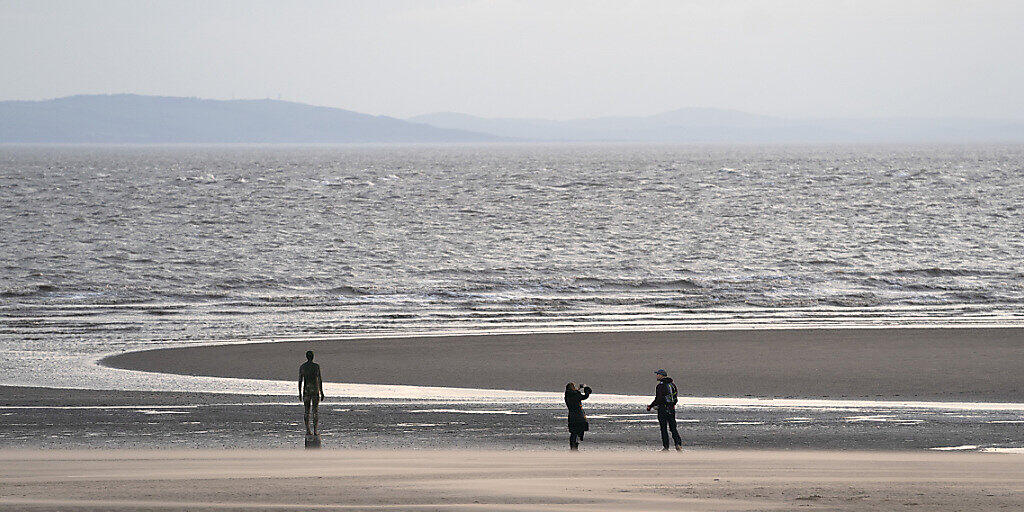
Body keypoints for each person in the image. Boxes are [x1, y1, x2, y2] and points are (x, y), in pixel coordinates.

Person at [646, 369, 682, 451]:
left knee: (663, 429)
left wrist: (651, 406)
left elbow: (658, 398)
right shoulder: (672, 385)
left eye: (658, 374)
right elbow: (675, 397)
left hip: (662, 409)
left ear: (661, 375)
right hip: (671, 409)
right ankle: (678, 444)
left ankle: (666, 447)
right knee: (673, 428)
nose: (656, 376)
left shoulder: (660, 386)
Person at [299, 351, 324, 436]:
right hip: (315, 390)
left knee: (306, 411)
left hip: (306, 390)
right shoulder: (316, 366)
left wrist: (299, 392)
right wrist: (322, 391)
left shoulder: (302, 367)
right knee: (315, 411)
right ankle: (315, 430)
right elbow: (319, 379)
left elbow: (300, 381)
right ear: (313, 357)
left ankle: (307, 430)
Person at [564, 382, 592, 450]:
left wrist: (579, 388)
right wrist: (586, 390)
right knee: (580, 430)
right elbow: (585, 396)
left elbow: (574, 393)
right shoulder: (576, 395)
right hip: (579, 416)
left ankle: (573, 446)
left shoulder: (567, 396)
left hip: (572, 416)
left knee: (573, 432)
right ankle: (576, 444)